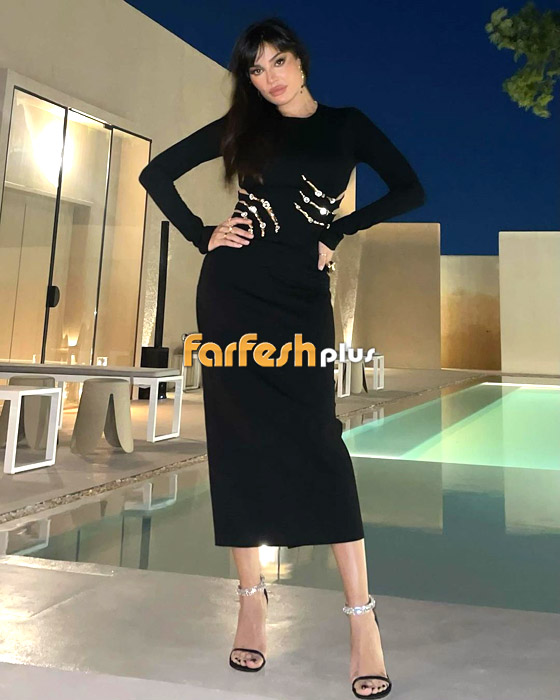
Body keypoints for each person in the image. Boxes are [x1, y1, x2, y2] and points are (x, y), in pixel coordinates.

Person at [139, 16, 425, 699]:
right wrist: (203, 234)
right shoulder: (245, 127)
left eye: (277, 60)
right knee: (236, 439)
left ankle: (362, 617)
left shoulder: (347, 125)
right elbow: (157, 173)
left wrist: (339, 230)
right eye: (256, 68)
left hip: (300, 296)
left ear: (300, 59)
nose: (269, 77)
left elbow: (409, 188)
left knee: (319, 439)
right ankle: (250, 600)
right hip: (234, 293)